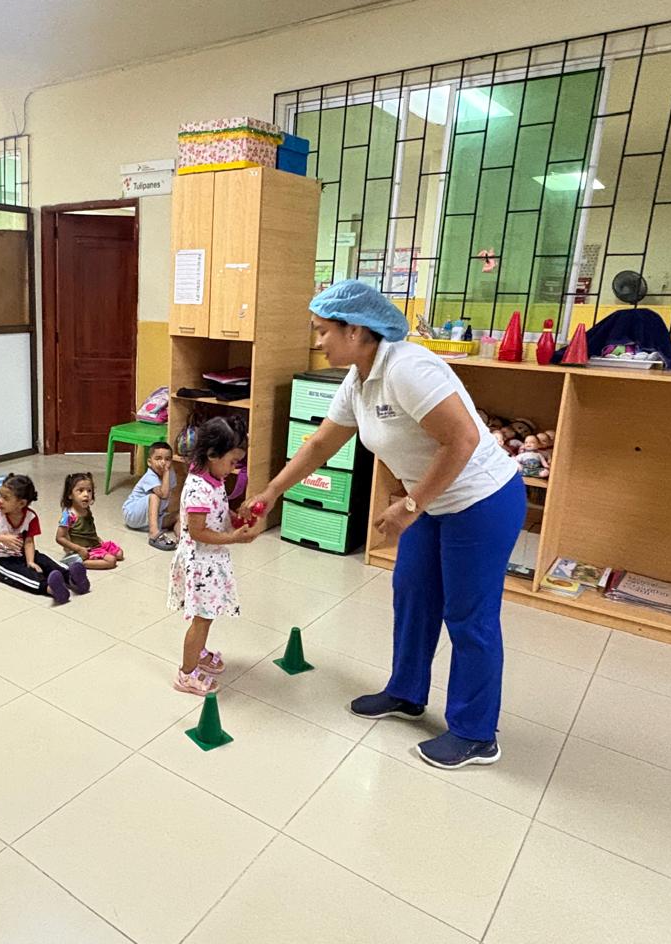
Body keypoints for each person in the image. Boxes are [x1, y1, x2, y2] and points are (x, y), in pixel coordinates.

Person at [244, 281, 525, 769]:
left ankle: (476, 734)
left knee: (469, 616)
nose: (318, 341)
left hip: (481, 500)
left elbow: (461, 440)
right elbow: (320, 444)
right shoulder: (358, 379)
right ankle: (407, 692)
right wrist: (271, 493)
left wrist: (410, 505)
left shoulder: (407, 369)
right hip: (431, 502)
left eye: (323, 331)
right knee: (413, 595)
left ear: (355, 330)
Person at [168, 417, 262, 696]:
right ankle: (186, 674)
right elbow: (198, 532)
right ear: (212, 454)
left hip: (211, 559)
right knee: (202, 618)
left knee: (206, 616)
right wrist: (234, 538)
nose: (234, 468)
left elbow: (216, 514)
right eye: (232, 462)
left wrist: (234, 518)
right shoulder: (198, 489)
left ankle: (199, 652)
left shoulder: (214, 478)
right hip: (200, 563)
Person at [0, 473, 89, 604]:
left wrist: (30, 561)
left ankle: (72, 578)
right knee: (24, 575)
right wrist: (1, 538)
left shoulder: (30, 517)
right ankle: (51, 589)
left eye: (5, 498)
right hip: (3, 560)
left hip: (25, 554)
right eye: (0, 496)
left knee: (45, 561)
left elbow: (29, 541)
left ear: (21, 503)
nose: (0, 501)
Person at [56, 472, 124, 570]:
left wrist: (98, 539)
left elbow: (88, 530)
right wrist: (78, 549)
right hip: (83, 549)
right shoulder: (68, 515)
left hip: (95, 544)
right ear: (70, 495)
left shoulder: (86, 510)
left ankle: (96, 555)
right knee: (111, 561)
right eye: (80, 490)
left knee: (119, 554)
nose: (86, 494)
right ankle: (78, 563)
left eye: (89, 491)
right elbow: (59, 538)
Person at [123, 441, 180, 550]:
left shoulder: (170, 474)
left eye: (167, 459)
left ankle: (181, 538)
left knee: (179, 515)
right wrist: (166, 472)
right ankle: (153, 533)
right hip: (132, 514)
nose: (163, 462)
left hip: (151, 518)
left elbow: (170, 495)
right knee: (154, 496)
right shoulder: (150, 476)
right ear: (149, 462)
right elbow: (163, 494)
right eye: (158, 458)